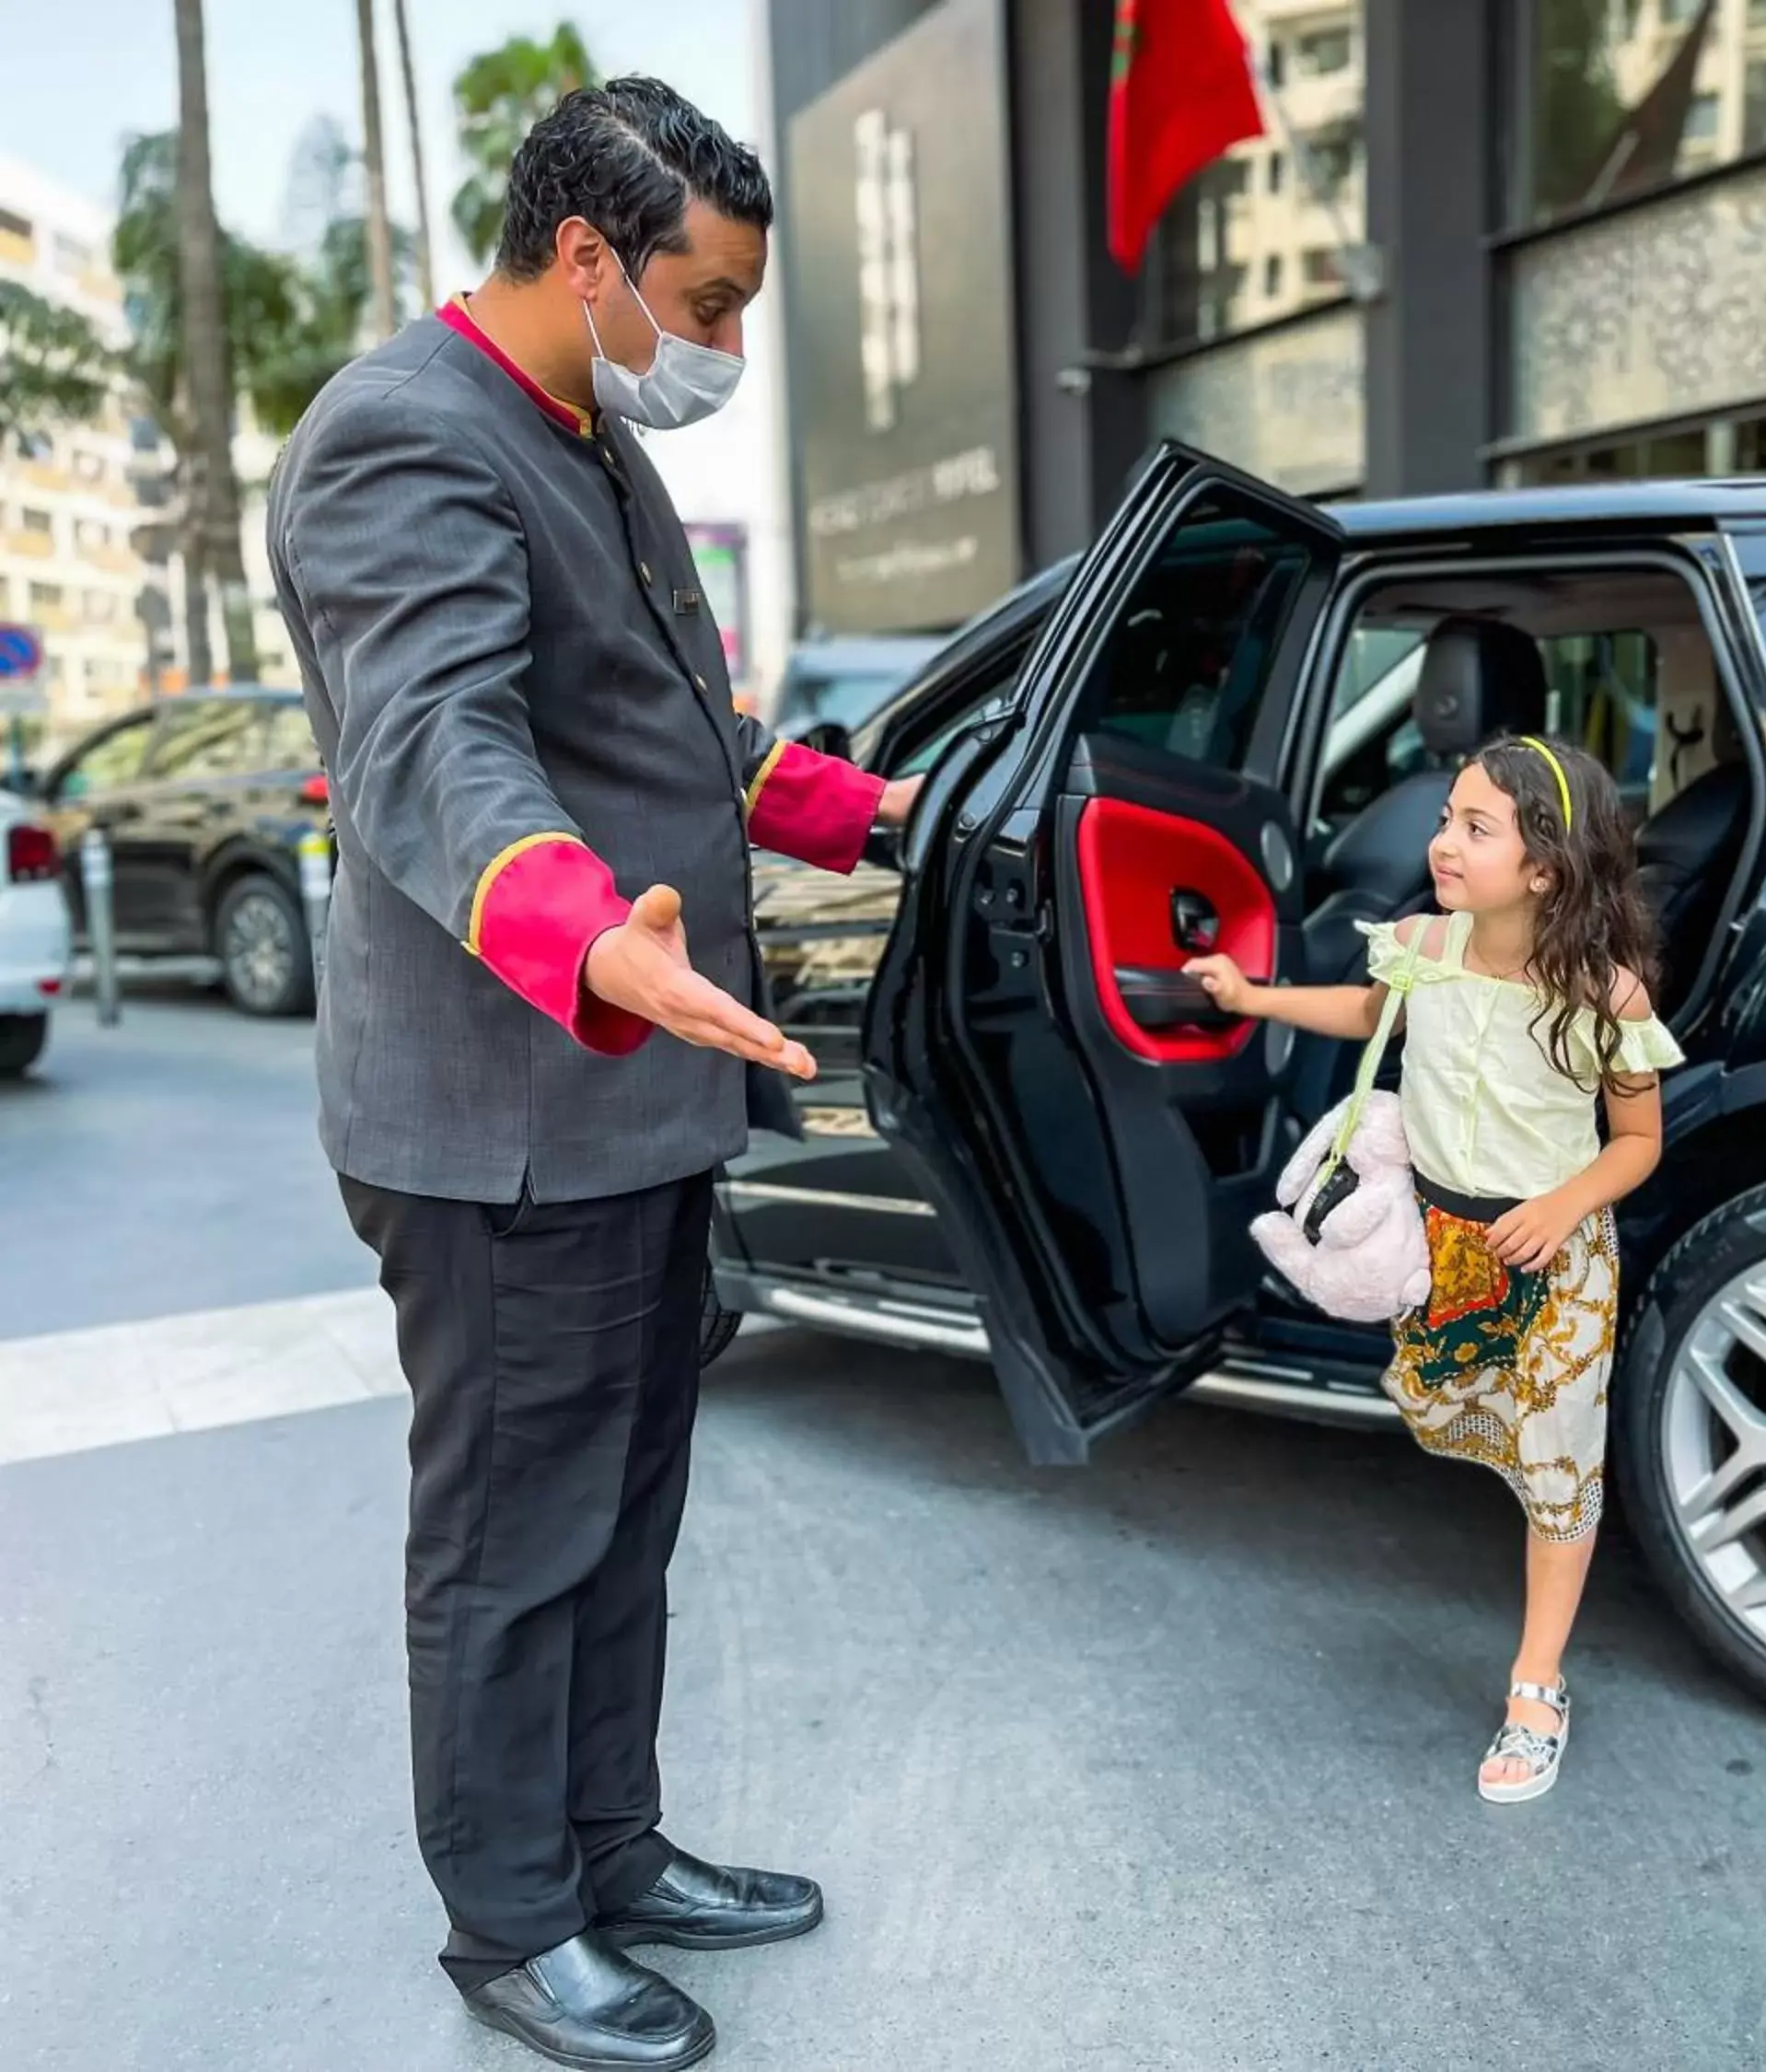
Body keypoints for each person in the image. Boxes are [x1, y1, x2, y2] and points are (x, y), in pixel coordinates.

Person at [265, 79, 912, 2069]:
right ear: (583, 256)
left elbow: (678, 729)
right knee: (513, 1536)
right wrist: (584, 922)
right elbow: (436, 742)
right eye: (704, 305)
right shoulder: (402, 432)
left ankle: (612, 1847)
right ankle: (512, 1923)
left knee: (622, 1517)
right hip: (504, 1120)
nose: (718, 349)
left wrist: (886, 813)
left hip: (630, 1113)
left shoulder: (588, 441)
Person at [1186, 733, 1682, 1803]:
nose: (1440, 842)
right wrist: (1253, 998)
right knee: (1465, 1415)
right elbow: (1372, 1014)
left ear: (1545, 866)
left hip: (1557, 1260)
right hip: (1448, 1247)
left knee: (1559, 1473)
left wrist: (1560, 1205)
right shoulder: (1422, 945)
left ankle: (1536, 1688)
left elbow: (1638, 1144)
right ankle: (1538, 1592)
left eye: (1473, 827)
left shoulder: (1606, 997)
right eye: (1446, 818)